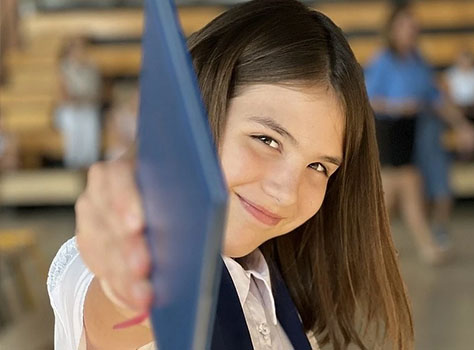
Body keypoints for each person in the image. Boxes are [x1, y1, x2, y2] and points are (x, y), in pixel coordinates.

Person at [47, 1, 413, 349]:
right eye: (266, 140)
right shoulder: (94, 269)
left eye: (318, 167)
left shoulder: (274, 288)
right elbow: (118, 314)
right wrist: (134, 280)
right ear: (201, 108)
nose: (286, 192)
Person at [364, 3, 474, 262]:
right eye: (405, 25)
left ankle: (371, 249)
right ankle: (423, 245)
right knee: (405, 185)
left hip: (411, 132)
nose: (411, 30)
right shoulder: (382, 61)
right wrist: (399, 106)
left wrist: (461, 126)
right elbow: (368, 99)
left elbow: (435, 99)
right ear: (392, 29)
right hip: (388, 132)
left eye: (413, 26)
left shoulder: (417, 61)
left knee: (395, 191)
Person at [55, 36, 102, 169]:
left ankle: (89, 162)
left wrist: (84, 101)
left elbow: (97, 93)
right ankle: (73, 162)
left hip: (88, 107)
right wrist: (78, 101)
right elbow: (63, 96)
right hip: (69, 109)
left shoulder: (92, 68)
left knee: (90, 117)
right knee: (73, 118)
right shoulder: (63, 68)